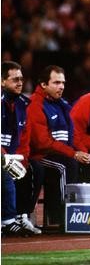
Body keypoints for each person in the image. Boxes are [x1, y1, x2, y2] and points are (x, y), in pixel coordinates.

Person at [28, 65, 90, 224]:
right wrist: (73, 154)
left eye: (63, 83)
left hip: (61, 153)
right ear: (44, 85)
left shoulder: (63, 104)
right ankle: (64, 215)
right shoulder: (34, 104)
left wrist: (83, 152)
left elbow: (73, 135)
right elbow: (43, 143)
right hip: (40, 155)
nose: (61, 86)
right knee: (66, 165)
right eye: (56, 83)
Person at [1, 61, 40, 236]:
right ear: (2, 82)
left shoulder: (23, 105)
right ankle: (7, 221)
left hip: (11, 155)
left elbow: (23, 139)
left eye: (21, 79)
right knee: (5, 171)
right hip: (2, 156)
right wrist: (5, 158)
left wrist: (21, 160)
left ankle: (21, 216)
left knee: (33, 169)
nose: (19, 83)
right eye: (14, 79)